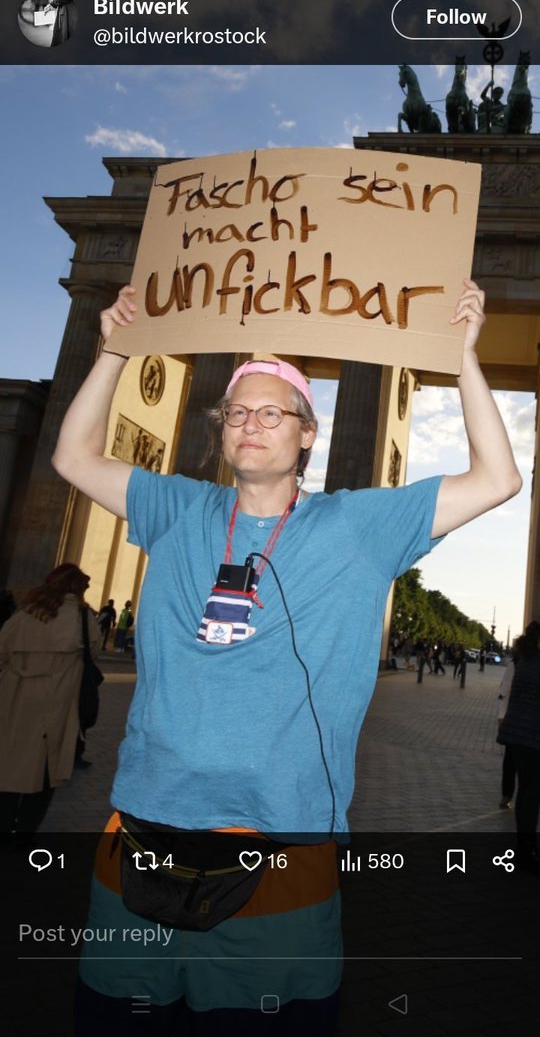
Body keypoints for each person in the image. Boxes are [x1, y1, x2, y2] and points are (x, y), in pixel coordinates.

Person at [51, 279, 521, 1033]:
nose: (249, 424)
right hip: (141, 829)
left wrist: (463, 358)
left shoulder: (359, 526)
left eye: (272, 412)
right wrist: (113, 349)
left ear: (308, 434)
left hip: (282, 843)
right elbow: (73, 457)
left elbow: (498, 480)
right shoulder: (176, 508)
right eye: (236, 412)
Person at [0, 563, 100, 834]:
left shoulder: (25, 615)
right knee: (46, 768)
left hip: (15, 700)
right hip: (58, 704)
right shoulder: (82, 619)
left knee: (10, 764)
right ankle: (26, 829)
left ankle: (4, 823)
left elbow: (3, 650)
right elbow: (94, 652)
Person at [497, 622, 540, 874]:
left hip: (518, 736)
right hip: (532, 737)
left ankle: (525, 847)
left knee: (527, 793)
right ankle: (527, 851)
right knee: (531, 794)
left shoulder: (525, 661)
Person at [497, 652, 517, 808]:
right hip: (517, 717)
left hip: (514, 717)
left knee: (510, 760)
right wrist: (502, 714)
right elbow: (505, 690)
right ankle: (507, 795)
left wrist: (502, 715)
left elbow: (504, 689)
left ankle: (507, 795)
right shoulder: (516, 663)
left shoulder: (516, 662)